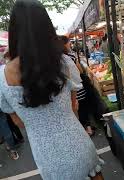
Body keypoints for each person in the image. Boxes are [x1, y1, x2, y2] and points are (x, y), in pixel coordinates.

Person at [1, 1, 104, 179]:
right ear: (47, 28)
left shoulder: (2, 77)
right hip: (78, 144)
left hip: (47, 157)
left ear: (14, 31)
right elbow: (74, 108)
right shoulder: (62, 63)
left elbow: (18, 122)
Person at [59, 36, 95, 136]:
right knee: (83, 107)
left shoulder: (56, 60)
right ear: (64, 45)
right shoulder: (70, 57)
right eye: (68, 43)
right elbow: (80, 70)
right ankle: (88, 128)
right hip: (77, 87)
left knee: (75, 109)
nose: (70, 44)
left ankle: (80, 129)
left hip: (67, 90)